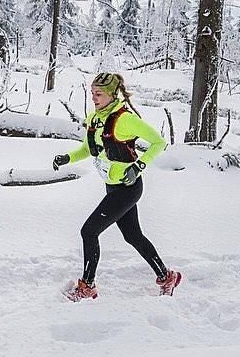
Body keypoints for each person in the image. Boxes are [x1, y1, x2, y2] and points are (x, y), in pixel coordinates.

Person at [52, 72, 181, 302]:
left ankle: (87, 286)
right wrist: (66, 158)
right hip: (112, 188)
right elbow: (87, 149)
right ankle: (166, 276)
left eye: (98, 94)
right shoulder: (94, 118)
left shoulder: (125, 120)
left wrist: (138, 166)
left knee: (89, 231)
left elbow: (158, 142)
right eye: (92, 93)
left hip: (128, 188)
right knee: (133, 236)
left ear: (112, 95)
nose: (94, 98)